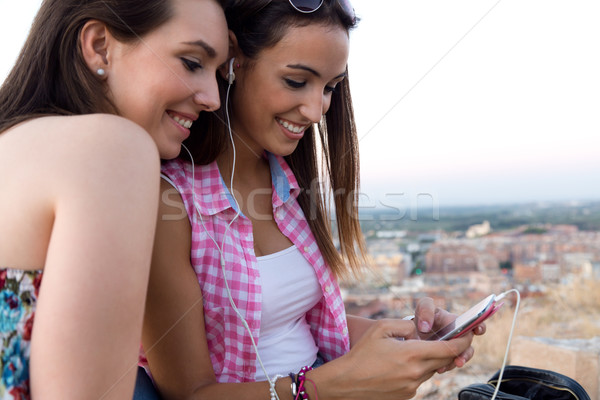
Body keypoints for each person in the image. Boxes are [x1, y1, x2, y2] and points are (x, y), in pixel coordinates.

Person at [141, 0, 485, 399]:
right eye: (295, 81)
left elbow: (295, 324)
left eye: (330, 87)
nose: (317, 109)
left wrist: (411, 334)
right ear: (233, 59)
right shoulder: (170, 200)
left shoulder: (287, 183)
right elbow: (188, 394)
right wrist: (328, 387)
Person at [0, 0, 229, 398]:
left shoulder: (16, 144)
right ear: (100, 46)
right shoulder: (113, 148)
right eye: (192, 62)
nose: (213, 98)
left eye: (219, 74)